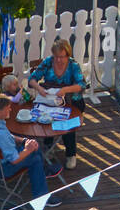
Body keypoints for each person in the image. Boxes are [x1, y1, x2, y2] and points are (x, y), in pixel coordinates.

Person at [0, 94, 62, 203]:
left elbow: (7, 135)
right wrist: (28, 149)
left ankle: (43, 171)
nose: (10, 110)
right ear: (0, 111)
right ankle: (41, 198)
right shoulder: (0, 134)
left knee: (32, 144)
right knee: (35, 158)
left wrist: (24, 141)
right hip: (0, 168)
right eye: (8, 109)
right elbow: (14, 159)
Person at [28, 38, 87, 168]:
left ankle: (71, 154)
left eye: (62, 57)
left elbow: (82, 85)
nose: (59, 60)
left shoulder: (73, 66)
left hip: (72, 101)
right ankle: (49, 148)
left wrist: (66, 89)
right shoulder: (48, 62)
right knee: (46, 120)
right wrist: (40, 89)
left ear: (68, 55)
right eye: (56, 57)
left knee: (66, 126)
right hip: (50, 99)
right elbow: (32, 79)